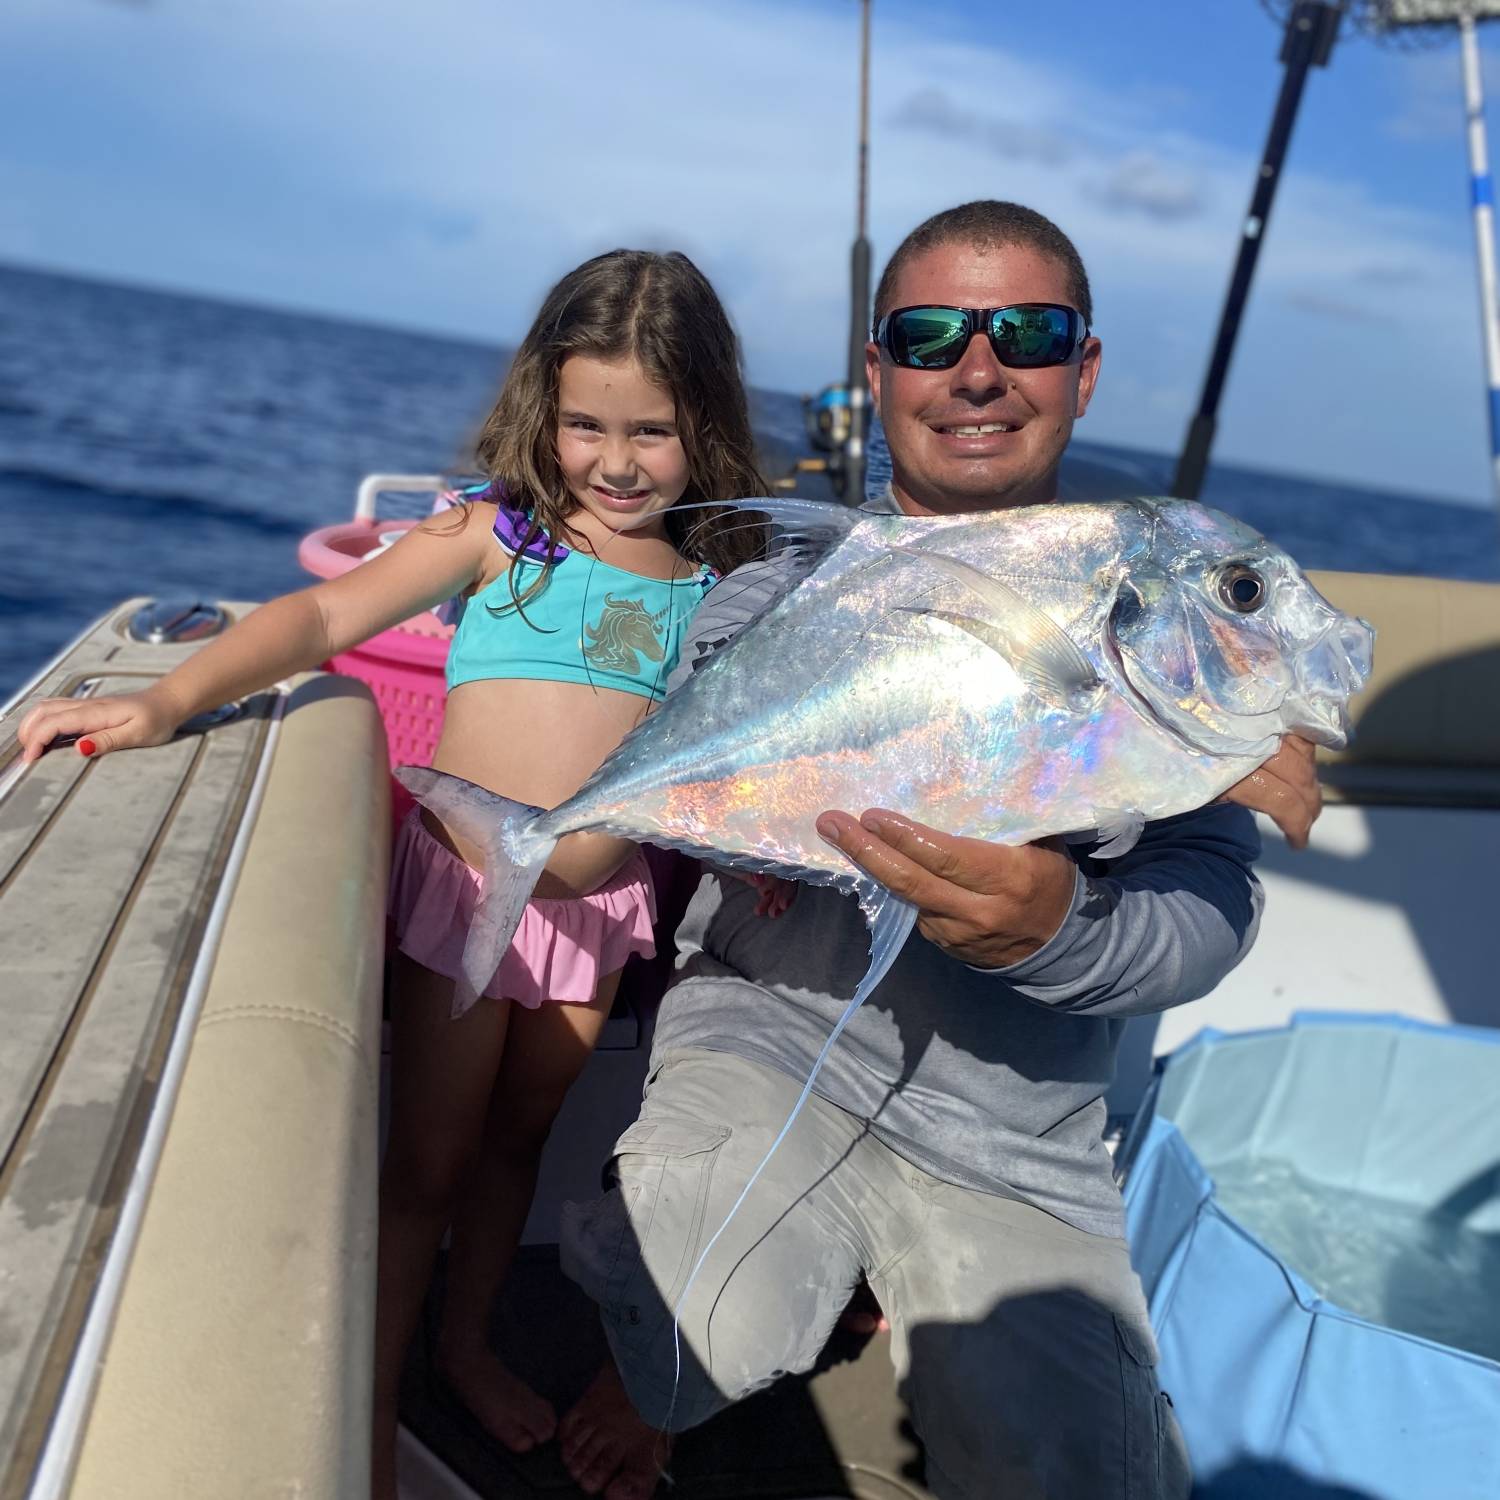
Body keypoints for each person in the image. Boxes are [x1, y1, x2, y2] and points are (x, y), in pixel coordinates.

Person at [552, 203, 1325, 1500]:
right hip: (774, 1025)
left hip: (1021, 1129)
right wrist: (693, 828)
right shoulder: (778, 589)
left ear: (1081, 369)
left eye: (1025, 333)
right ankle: (660, 1372)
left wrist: (1057, 928)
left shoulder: (1150, 612)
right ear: (879, 373)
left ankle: (817, 1312)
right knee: (700, 1330)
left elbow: (1211, 903)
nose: (977, 368)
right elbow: (700, 770)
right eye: (930, 336)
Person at [15, 248, 771, 1500]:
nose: (617, 461)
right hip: (465, 901)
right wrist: (170, 700)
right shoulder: (498, 531)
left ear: (709, 426)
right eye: (586, 423)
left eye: (654, 429)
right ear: (545, 404)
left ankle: (462, 1346)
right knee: (423, 1163)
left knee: (517, 1142)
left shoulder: (715, 586)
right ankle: (366, 1401)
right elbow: (318, 620)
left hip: (593, 917)